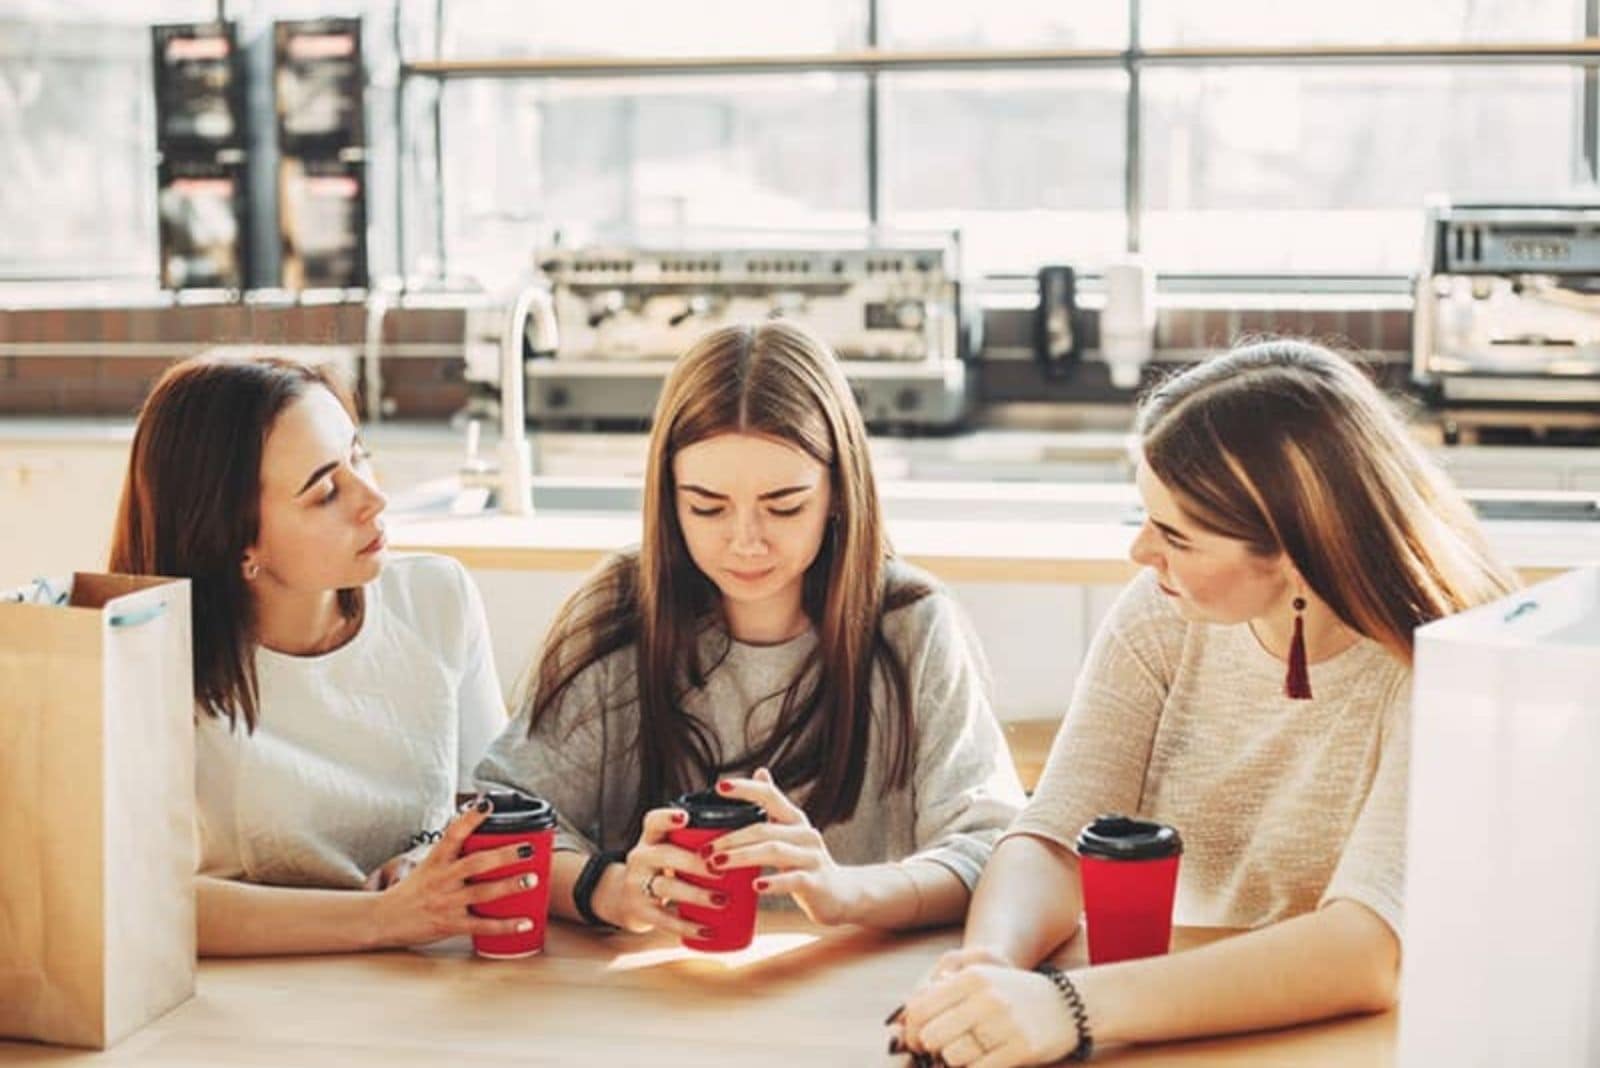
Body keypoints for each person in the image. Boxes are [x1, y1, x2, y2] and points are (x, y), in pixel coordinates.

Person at [896, 339, 1518, 1065]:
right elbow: (1055, 834)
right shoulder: (1163, 612)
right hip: (1176, 1029)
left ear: (1294, 552)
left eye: (1175, 535)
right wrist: (991, 967)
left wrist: (1070, 1006)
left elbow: (1364, 953)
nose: (1140, 552)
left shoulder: (1443, 664)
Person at [476, 321, 1025, 940]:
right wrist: (609, 887)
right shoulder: (621, 609)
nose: (745, 540)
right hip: (652, 1000)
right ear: (668, 497)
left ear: (839, 491)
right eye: (706, 507)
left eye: (785, 505)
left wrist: (844, 891)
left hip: (854, 994)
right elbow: (498, 817)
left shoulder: (910, 623)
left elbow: (998, 851)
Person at [109, 354, 523, 956]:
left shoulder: (436, 598)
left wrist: (424, 861)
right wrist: (382, 918)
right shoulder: (151, 657)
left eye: (359, 455)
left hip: (427, 972)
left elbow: (491, 798)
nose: (373, 498)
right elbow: (146, 898)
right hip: (249, 996)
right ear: (236, 540)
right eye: (327, 490)